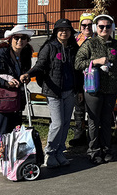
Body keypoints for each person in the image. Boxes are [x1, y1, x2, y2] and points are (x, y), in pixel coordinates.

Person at [74, 14, 117, 165]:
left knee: (107, 121)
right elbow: (78, 63)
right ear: (96, 28)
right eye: (101, 26)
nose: (104, 29)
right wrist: (95, 61)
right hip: (93, 89)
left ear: (112, 28)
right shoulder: (90, 44)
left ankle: (106, 150)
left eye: (108, 26)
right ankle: (94, 151)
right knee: (94, 121)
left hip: (111, 89)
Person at [22, 19, 81, 168]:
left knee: (66, 123)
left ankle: (60, 151)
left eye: (67, 29)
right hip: (53, 91)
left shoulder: (74, 48)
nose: (64, 32)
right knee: (58, 123)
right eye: (60, 29)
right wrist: (29, 74)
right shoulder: (49, 47)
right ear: (55, 32)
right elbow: (40, 65)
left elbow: (78, 71)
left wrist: (79, 89)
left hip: (69, 91)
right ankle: (50, 153)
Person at [0, 25, 35, 170]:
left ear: (27, 40)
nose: (20, 41)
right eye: (16, 38)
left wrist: (25, 78)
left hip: (15, 98)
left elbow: (25, 72)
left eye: (23, 38)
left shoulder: (25, 54)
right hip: (1, 98)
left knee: (14, 129)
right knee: (1, 129)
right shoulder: (1, 54)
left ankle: (10, 157)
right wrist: (6, 83)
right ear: (10, 39)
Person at [69, 13, 94, 147]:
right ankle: (79, 133)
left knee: (92, 108)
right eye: (84, 25)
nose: (87, 27)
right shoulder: (75, 40)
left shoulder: (97, 38)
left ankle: (92, 134)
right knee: (79, 107)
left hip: (93, 77)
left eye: (90, 25)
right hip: (79, 76)